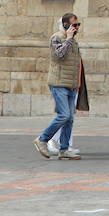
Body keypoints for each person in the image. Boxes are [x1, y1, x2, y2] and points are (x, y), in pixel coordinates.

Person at [34, 12, 86, 161]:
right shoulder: (56, 38)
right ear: (65, 25)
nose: (76, 28)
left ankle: (64, 149)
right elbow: (59, 55)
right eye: (74, 25)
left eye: (78, 25)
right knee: (64, 115)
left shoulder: (74, 42)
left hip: (70, 84)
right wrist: (68, 39)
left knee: (69, 119)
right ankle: (42, 139)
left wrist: (77, 84)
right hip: (58, 83)